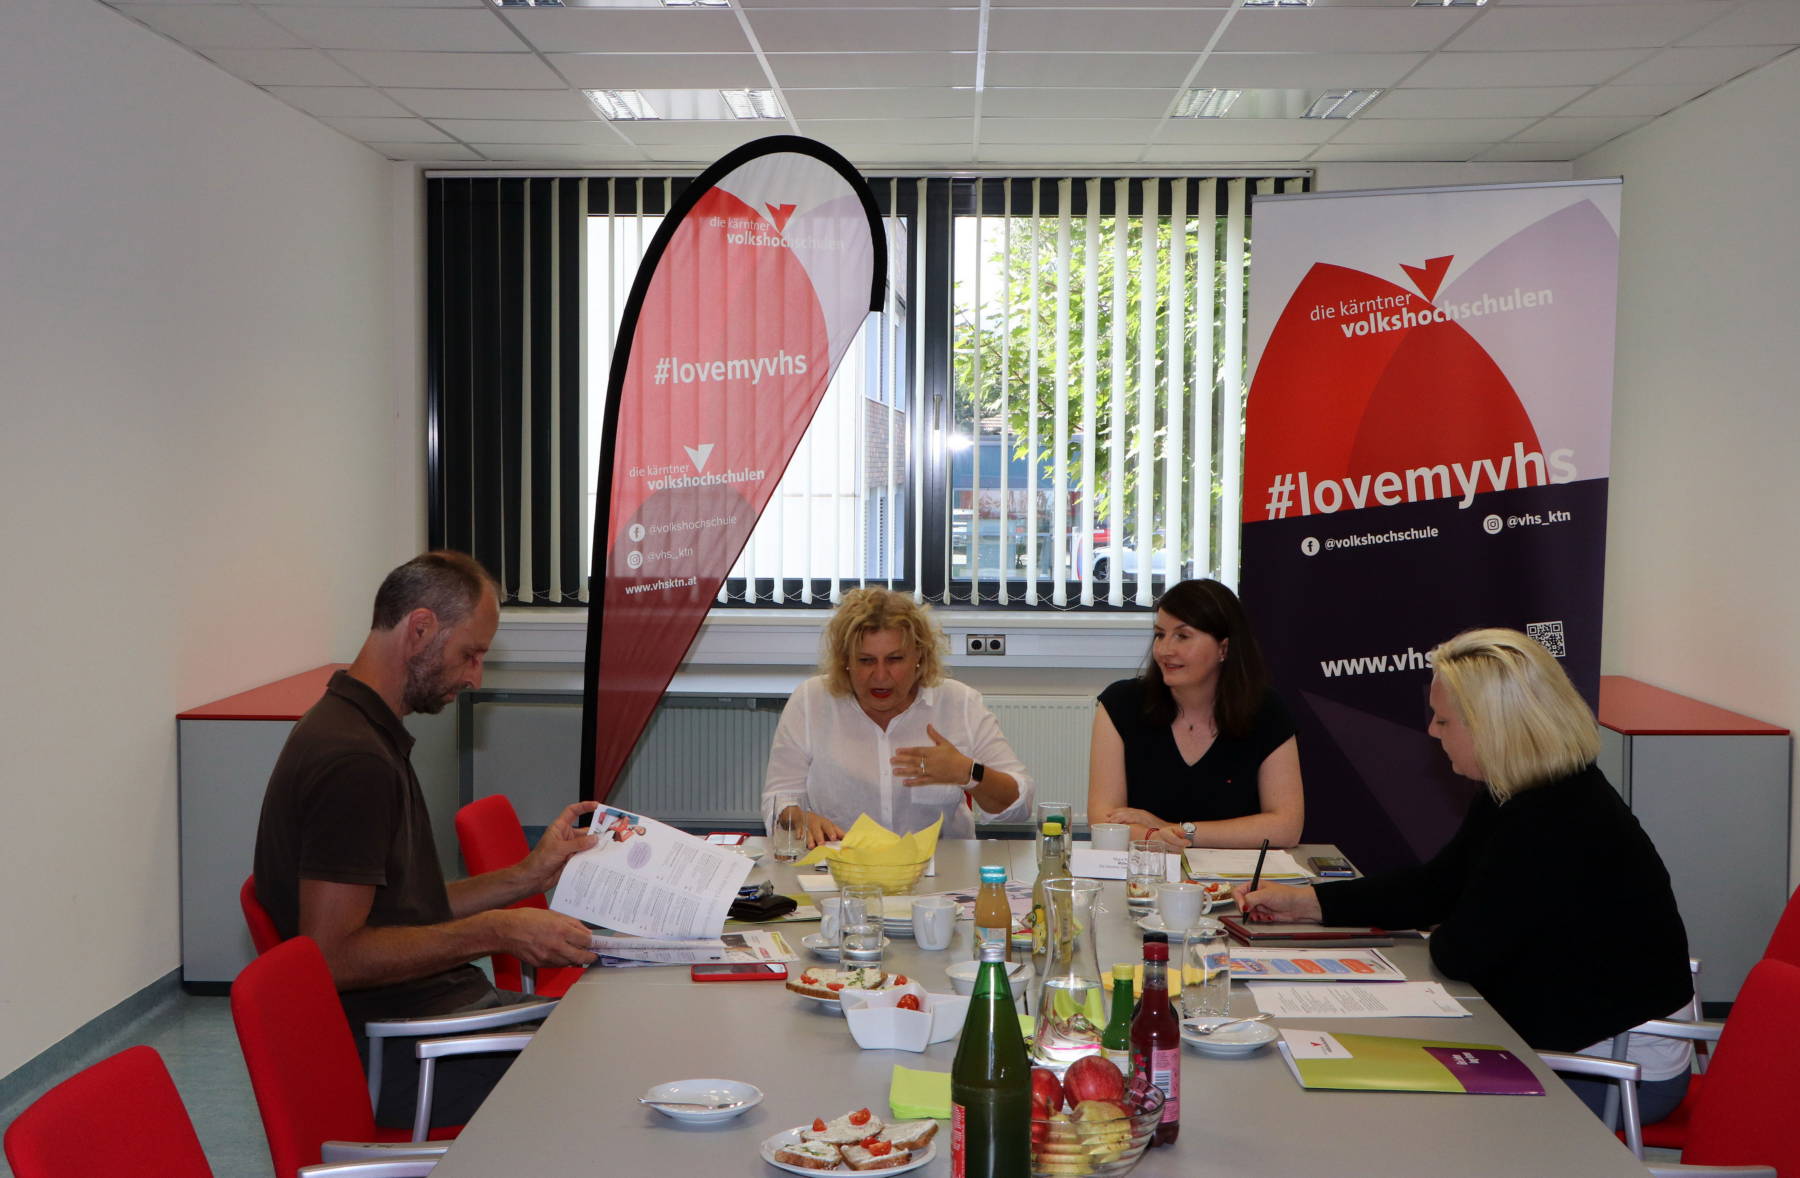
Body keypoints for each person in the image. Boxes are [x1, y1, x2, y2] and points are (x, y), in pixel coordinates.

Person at [1237, 627, 1693, 1120]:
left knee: (1388, 1112)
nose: (1432, 731)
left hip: (1614, 1070)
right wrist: (1310, 902)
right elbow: (1436, 886)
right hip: (1560, 1032)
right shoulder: (1522, 790)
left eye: (1444, 719)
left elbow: (1461, 952)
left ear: (1493, 726)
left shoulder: (1553, 818)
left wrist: (1447, 924)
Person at [253, 551, 599, 1129]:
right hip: (405, 1052)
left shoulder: (362, 729)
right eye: (470, 655)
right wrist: (496, 930)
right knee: (617, 1065)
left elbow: (406, 912)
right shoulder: (354, 760)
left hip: (433, 1020)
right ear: (419, 630)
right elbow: (331, 956)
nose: (475, 677)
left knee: (607, 1027)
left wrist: (526, 876)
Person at [762, 587, 1035, 843]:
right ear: (846, 661)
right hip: (839, 865)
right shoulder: (811, 700)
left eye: (895, 659)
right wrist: (799, 818)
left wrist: (968, 772)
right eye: (866, 661)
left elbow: (1019, 807)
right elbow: (779, 798)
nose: (880, 676)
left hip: (940, 867)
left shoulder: (959, 702)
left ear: (919, 657)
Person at [1087, 579, 1303, 850]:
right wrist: (1156, 837)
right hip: (1146, 869)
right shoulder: (1122, 703)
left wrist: (1174, 829)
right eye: (1160, 635)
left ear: (1224, 648)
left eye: (1182, 636)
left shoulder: (1266, 710)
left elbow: (1286, 827)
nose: (1164, 650)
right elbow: (1104, 820)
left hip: (1235, 873)